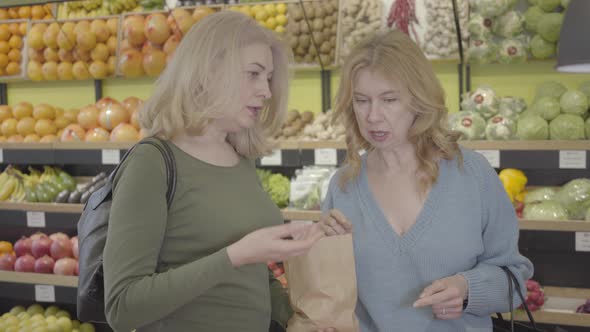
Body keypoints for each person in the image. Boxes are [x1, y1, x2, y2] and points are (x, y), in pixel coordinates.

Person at [102, 11, 325, 332]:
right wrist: (234, 255)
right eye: (253, 74)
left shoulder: (239, 158)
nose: (266, 91)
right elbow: (122, 306)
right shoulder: (152, 163)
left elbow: (251, 273)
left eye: (268, 77)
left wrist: (298, 319)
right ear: (207, 72)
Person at [318, 30, 534, 332]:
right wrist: (321, 246)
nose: (373, 116)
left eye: (389, 99)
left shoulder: (471, 174)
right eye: (362, 101)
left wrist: (468, 288)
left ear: (419, 100)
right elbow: (332, 293)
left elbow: (515, 279)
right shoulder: (343, 186)